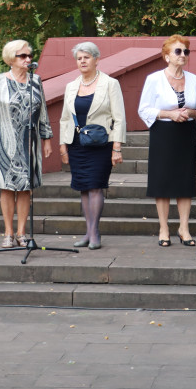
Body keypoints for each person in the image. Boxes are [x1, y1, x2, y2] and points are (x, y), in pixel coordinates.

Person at [0, 40, 53, 249]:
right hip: (4, 142)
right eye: (23, 56)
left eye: (29, 55)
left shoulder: (36, 81)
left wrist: (47, 138)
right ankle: (8, 233)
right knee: (7, 187)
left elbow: (43, 112)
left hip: (29, 142)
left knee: (26, 188)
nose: (28, 59)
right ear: (11, 58)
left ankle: (21, 233)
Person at [137, 35, 196, 247]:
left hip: (186, 134)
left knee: (185, 183)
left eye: (186, 51)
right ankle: (164, 228)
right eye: (178, 51)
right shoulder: (154, 79)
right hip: (163, 134)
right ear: (167, 56)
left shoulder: (193, 79)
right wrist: (169, 114)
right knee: (163, 182)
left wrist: (193, 112)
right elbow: (144, 109)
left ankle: (184, 228)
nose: (183, 55)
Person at [58, 42, 126, 250]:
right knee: (83, 188)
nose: (83, 61)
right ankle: (87, 232)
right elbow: (64, 119)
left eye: (87, 57)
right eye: (79, 58)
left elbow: (119, 118)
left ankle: (95, 232)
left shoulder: (110, 83)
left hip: (100, 144)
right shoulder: (71, 86)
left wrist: (117, 147)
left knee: (95, 186)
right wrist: (62, 144)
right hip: (77, 144)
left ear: (96, 59)